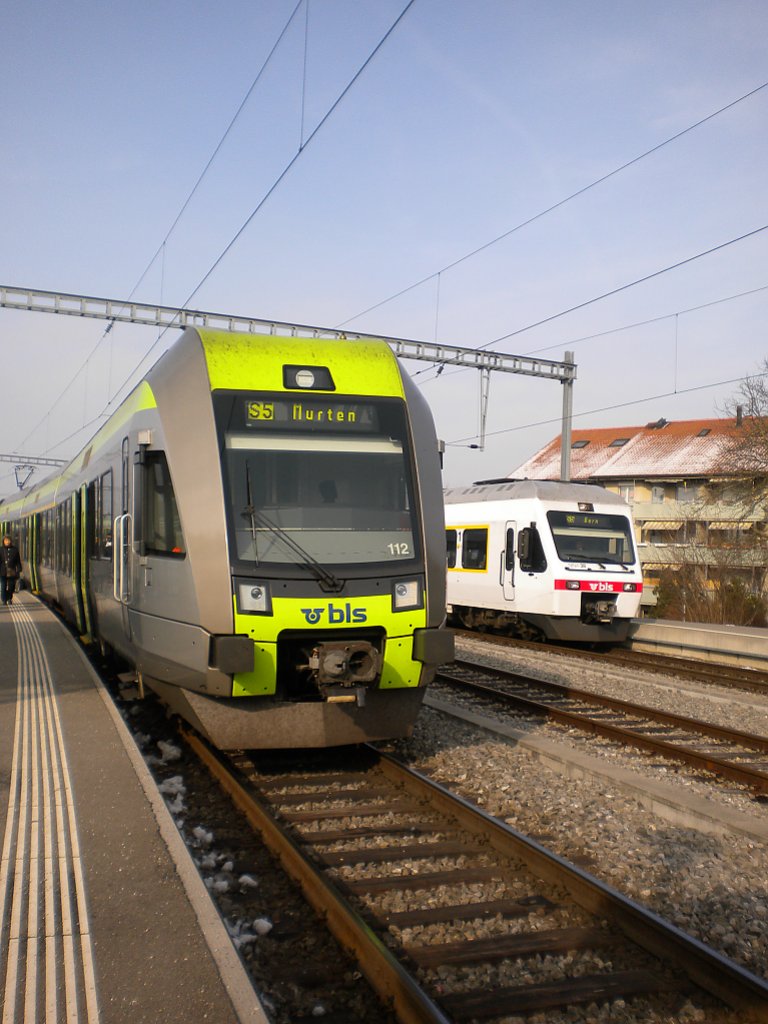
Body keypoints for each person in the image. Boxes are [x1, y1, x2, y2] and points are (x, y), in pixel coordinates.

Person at [0, 535, 22, 605]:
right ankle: (4, 599)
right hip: (2, 571)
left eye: (8, 540)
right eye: (5, 540)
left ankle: (9, 598)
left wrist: (19, 569)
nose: (7, 542)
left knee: (11, 586)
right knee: (3, 586)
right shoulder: (0, 549)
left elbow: (18, 561)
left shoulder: (15, 550)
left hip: (12, 571)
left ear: (11, 541)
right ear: (3, 541)